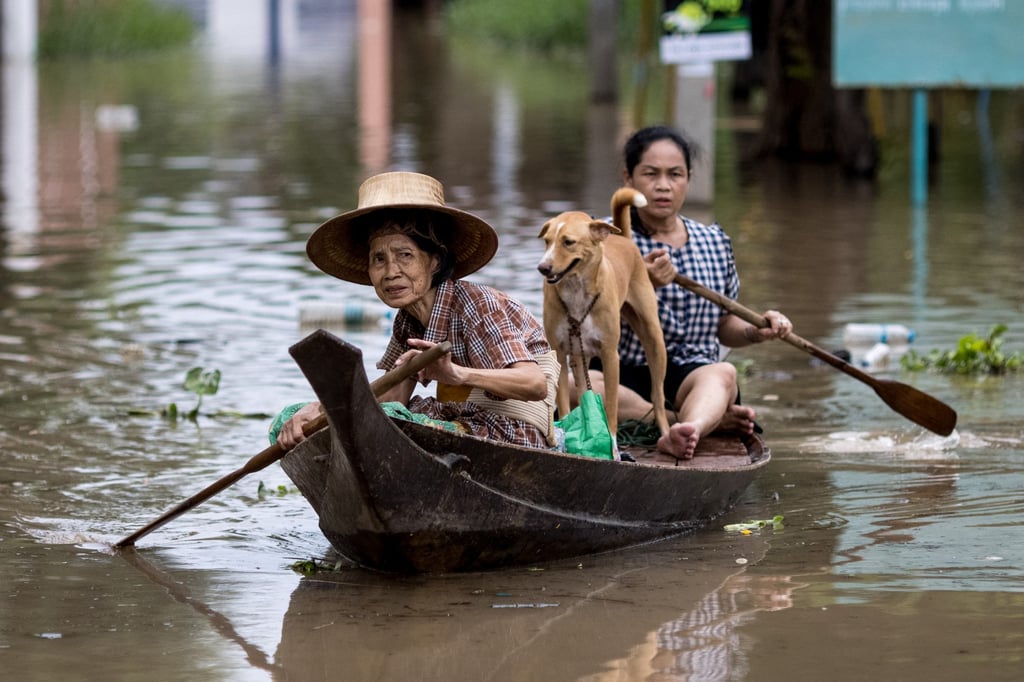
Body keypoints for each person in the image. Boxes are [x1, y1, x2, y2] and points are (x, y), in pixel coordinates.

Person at [276, 171, 557, 450]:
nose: (390, 272)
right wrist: (322, 411)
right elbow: (390, 401)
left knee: (391, 424)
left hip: (513, 436)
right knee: (292, 418)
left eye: (405, 256)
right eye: (379, 259)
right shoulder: (407, 322)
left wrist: (456, 374)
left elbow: (533, 384)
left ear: (434, 262)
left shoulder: (476, 304)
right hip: (462, 425)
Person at [589, 125, 792, 459]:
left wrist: (757, 331)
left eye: (675, 174)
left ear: (689, 178)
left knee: (724, 373)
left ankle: (691, 428)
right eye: (650, 174)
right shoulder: (603, 237)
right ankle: (674, 421)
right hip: (622, 371)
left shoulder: (714, 241)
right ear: (629, 178)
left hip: (690, 375)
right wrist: (644, 283)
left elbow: (724, 326)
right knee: (571, 384)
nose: (663, 186)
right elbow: (589, 314)